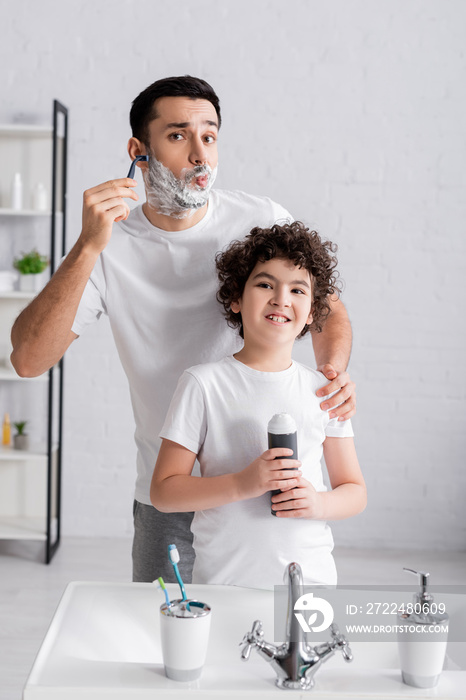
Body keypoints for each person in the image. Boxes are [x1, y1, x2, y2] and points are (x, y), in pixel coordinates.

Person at [10, 76, 356, 583]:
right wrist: (85, 247)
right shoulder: (109, 246)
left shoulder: (258, 218)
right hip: (168, 491)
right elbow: (27, 359)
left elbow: (326, 307)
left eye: (210, 136)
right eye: (178, 136)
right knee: (162, 640)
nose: (200, 155)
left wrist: (332, 373)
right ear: (138, 151)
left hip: (259, 489)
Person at [151, 222, 366, 587]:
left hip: (309, 583)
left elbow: (354, 491)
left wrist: (319, 504)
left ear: (312, 313)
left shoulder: (324, 391)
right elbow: (164, 492)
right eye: (265, 284)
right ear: (236, 297)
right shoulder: (203, 384)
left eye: (298, 290)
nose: (281, 298)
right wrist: (241, 483)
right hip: (224, 584)